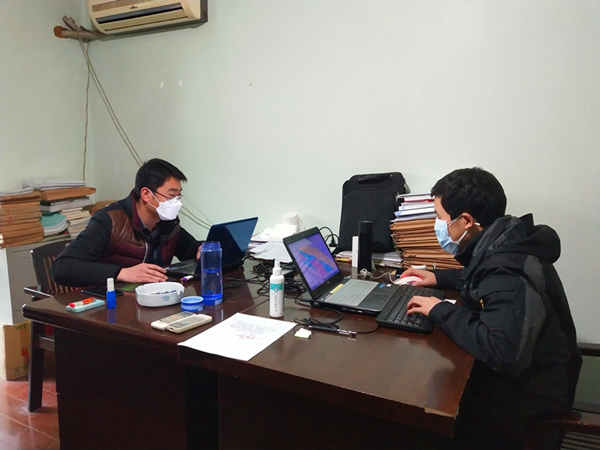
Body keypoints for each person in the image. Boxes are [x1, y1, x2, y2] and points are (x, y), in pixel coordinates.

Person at [403, 168, 581, 450]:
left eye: (439, 217)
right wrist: (438, 277)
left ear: (466, 221)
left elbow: (502, 351)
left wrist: (440, 310)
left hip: (525, 411)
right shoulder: (507, 242)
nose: (437, 226)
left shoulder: (507, 269)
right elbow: (482, 279)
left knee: (426, 417)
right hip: (533, 382)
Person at [52, 158, 202, 287]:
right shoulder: (109, 220)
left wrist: (202, 249)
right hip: (109, 300)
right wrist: (123, 273)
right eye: (171, 196)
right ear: (146, 194)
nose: (176, 203)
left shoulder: (167, 222)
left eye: (178, 195)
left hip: (153, 297)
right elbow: (62, 268)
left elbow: (188, 248)